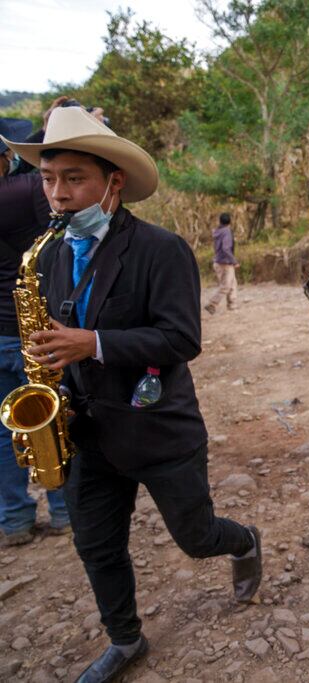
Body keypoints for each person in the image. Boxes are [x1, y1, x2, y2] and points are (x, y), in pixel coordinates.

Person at [1, 107, 264, 683]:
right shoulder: (45, 253)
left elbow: (180, 338)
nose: (58, 194)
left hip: (157, 428)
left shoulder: (160, 249)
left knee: (196, 539)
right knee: (96, 547)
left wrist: (91, 343)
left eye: (74, 179)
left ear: (112, 181)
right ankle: (125, 639)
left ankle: (244, 540)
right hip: (86, 434)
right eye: (48, 179)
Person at [0, 116, 70, 545]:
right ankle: (64, 508)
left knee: (1, 433)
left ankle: (14, 520)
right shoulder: (25, 192)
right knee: (53, 416)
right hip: (27, 332)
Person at [204, 212, 238, 313]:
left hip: (218, 262)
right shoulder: (226, 232)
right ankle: (212, 303)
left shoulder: (218, 231)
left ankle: (232, 305)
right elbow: (226, 248)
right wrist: (233, 261)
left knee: (232, 283)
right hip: (225, 262)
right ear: (230, 221)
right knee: (226, 285)